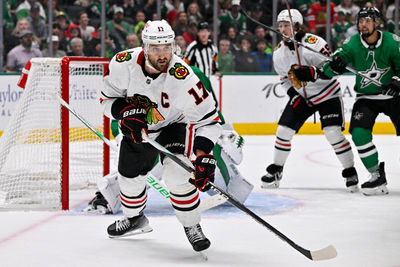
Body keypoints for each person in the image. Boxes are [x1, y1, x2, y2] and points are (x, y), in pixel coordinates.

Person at [100, 19, 222, 252]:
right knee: (128, 179)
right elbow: (106, 101)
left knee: (178, 176)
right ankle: (135, 219)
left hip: (173, 126)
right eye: (156, 48)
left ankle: (192, 225)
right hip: (139, 128)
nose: (163, 54)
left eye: (167, 47)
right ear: (145, 47)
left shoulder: (184, 76)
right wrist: (124, 112)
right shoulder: (122, 63)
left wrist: (203, 155)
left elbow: (209, 120)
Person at [292, 7, 400, 196]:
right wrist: (321, 69)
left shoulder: (392, 42)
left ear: (377, 23)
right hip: (367, 97)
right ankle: (376, 175)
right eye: (360, 21)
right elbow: (332, 65)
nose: (363, 24)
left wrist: (398, 81)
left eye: (367, 20)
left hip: (394, 96)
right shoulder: (352, 43)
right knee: (359, 134)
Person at [260, 9, 359, 192]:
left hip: (327, 94)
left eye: (287, 25)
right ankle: (276, 169)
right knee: (283, 130)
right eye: (281, 26)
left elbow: (333, 70)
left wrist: (315, 73)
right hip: (303, 98)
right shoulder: (279, 53)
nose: (282, 29)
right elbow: (283, 78)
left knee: (332, 133)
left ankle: (350, 170)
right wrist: (292, 94)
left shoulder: (314, 43)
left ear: (297, 26)